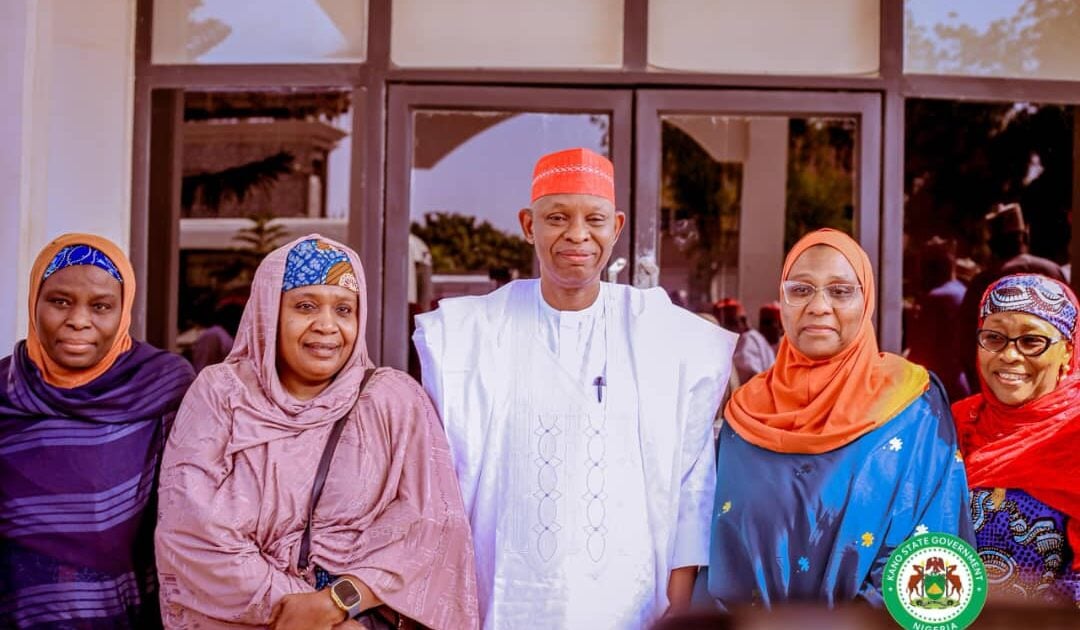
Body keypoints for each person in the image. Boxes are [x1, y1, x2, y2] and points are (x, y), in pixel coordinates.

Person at [414, 148, 736, 628]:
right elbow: (437, 483)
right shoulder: (471, 334)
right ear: (529, 225)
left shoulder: (661, 333)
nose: (577, 234)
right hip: (504, 603)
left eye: (595, 219)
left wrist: (676, 602)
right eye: (557, 217)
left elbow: (693, 479)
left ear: (617, 227)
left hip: (629, 606)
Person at [155, 236, 478, 630]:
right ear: (270, 311)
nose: (327, 325)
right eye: (305, 306)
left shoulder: (391, 399)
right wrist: (309, 614)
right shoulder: (222, 394)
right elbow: (189, 529)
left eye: (344, 309)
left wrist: (338, 603)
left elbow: (432, 524)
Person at [700, 229, 974, 609]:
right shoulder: (745, 415)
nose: (818, 306)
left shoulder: (915, 406)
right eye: (800, 290)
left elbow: (934, 552)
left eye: (841, 291)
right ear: (782, 300)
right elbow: (711, 552)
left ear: (866, 301)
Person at [0, 234, 195, 628]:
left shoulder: (161, 387)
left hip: (127, 615)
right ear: (34, 302)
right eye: (59, 301)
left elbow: (193, 513)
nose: (78, 320)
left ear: (123, 312)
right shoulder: (4, 391)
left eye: (101, 306)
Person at [952, 274, 1080, 606]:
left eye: (1031, 341)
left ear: (1067, 351)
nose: (1009, 355)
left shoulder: (1074, 433)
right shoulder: (950, 425)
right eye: (994, 338)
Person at [957, 203, 1066, 393]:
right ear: (1025, 236)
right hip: (1048, 376)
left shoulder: (985, 280)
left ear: (993, 244)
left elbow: (965, 341)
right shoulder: (1052, 271)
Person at [907, 237, 969, 401]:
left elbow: (920, 351)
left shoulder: (937, 299)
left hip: (940, 386)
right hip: (960, 382)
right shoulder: (962, 290)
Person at [714, 298, 775, 384]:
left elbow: (749, 375)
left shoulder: (748, 340)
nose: (744, 325)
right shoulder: (751, 338)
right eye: (732, 322)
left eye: (743, 319)